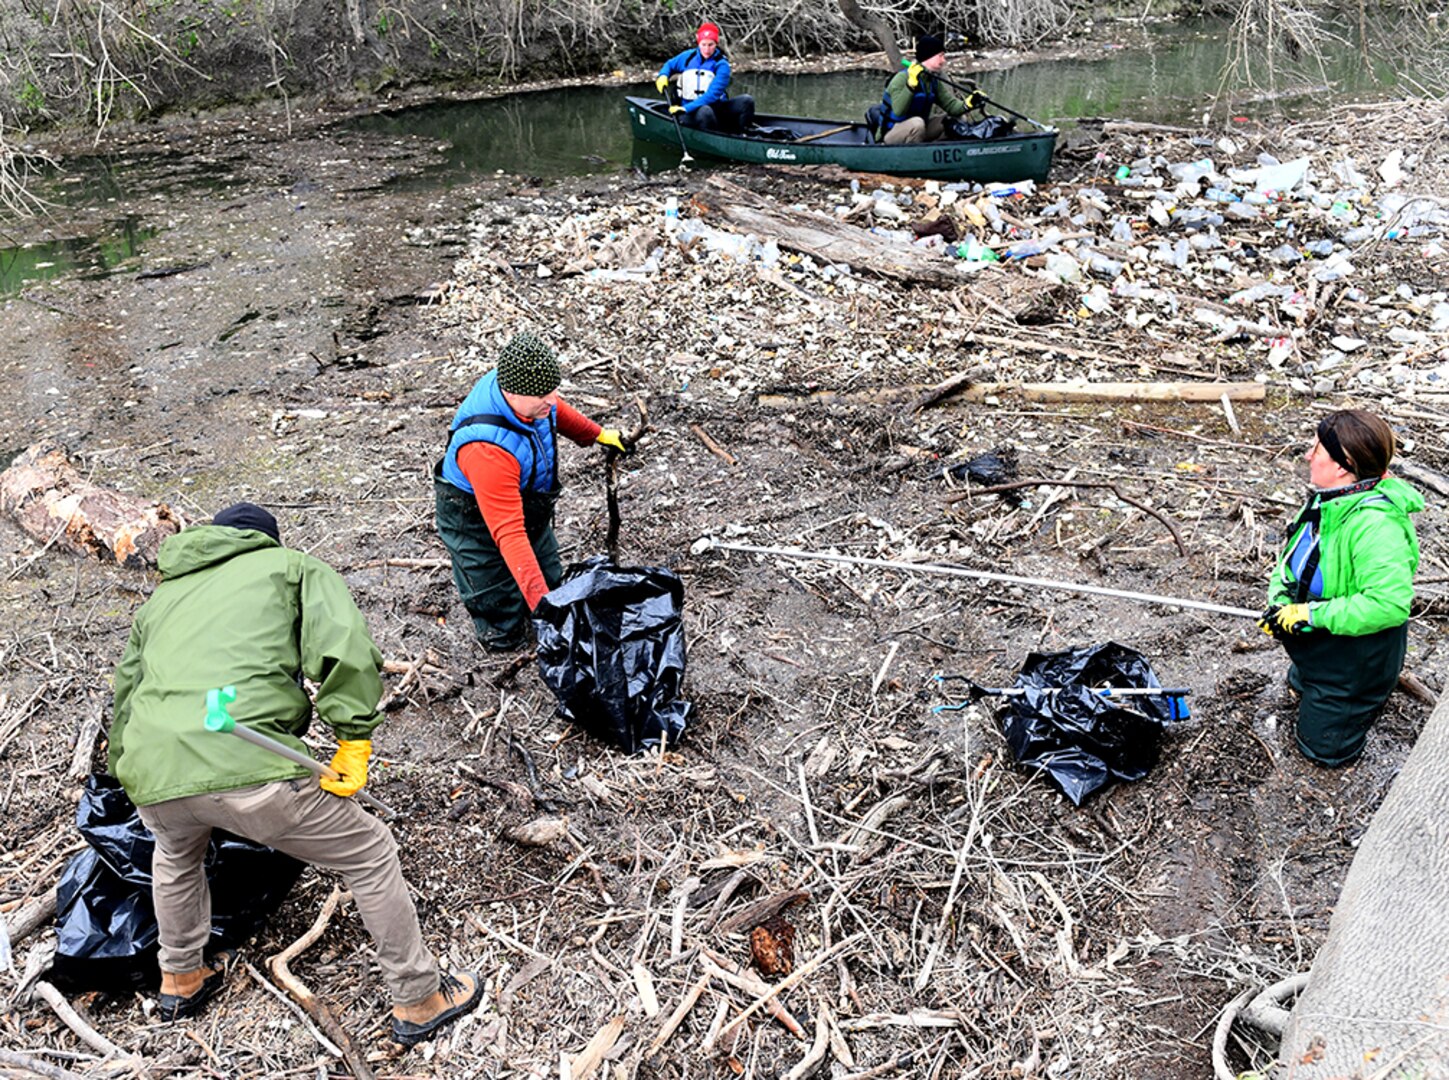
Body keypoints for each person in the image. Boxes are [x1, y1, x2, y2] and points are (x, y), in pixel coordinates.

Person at [108, 503, 480, 1045]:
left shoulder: (161, 599)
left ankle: (181, 977)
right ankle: (420, 997)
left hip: (154, 773)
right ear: (266, 541)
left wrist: (127, 768)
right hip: (245, 761)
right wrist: (354, 738)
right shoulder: (291, 568)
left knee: (176, 855)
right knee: (369, 850)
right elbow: (343, 651)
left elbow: (126, 694)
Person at [434, 331, 629, 650]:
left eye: (553, 391)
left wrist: (597, 434)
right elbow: (510, 534)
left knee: (550, 578)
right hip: (472, 519)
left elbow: (556, 409)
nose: (552, 400)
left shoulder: (531, 397)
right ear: (511, 392)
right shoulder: (486, 450)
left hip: (524, 502)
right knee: (496, 598)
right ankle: (503, 639)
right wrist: (544, 609)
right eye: (543, 396)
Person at [1260, 410, 1424, 766]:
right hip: (1321, 636)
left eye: (1317, 449)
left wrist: (1309, 614)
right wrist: (1280, 601)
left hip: (1356, 659)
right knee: (1300, 681)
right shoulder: (1329, 499)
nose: (1308, 455)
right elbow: (1291, 560)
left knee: (1322, 751)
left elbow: (1389, 605)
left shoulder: (1376, 526)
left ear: (1342, 465)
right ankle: (1310, 679)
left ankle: (1352, 706)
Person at [654, 21, 756, 134]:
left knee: (746, 101)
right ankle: (710, 137)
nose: (707, 50)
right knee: (705, 112)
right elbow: (669, 65)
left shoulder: (722, 65)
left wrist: (686, 108)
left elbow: (712, 95)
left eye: (710, 45)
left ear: (716, 43)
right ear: (698, 43)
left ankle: (743, 135)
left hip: (713, 109)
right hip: (688, 112)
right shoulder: (687, 57)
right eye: (703, 44)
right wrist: (663, 75)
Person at [874, 34, 975, 145]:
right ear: (928, 56)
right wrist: (910, 86)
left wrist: (968, 104)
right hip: (890, 134)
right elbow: (898, 111)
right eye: (940, 56)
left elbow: (951, 106)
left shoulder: (932, 80)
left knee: (958, 119)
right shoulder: (901, 78)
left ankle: (937, 149)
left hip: (920, 129)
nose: (944, 60)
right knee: (917, 123)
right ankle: (917, 153)